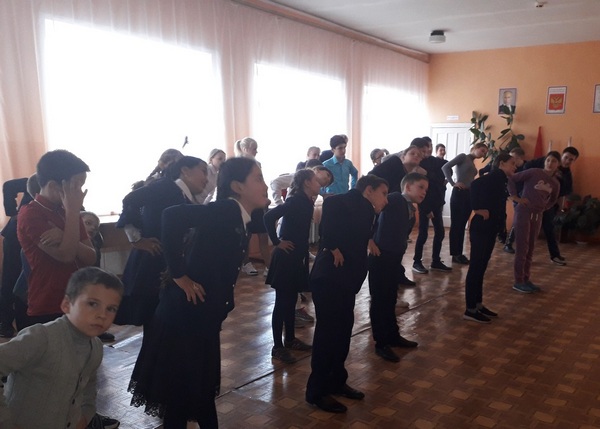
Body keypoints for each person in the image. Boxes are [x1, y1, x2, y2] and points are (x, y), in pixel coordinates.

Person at [128, 157, 269, 429]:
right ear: (238, 186)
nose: (265, 185)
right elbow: (170, 216)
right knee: (183, 396)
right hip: (184, 318)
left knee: (199, 392)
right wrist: (179, 274)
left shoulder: (239, 216)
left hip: (199, 317)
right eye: (259, 179)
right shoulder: (227, 209)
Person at [0, 266, 123, 429]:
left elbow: (88, 389)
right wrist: (5, 422)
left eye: (111, 309)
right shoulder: (42, 338)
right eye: (93, 304)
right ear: (66, 304)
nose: (102, 315)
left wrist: (85, 416)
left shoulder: (96, 348)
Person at [306, 174, 389, 414]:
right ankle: (316, 392)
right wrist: (332, 246)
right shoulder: (341, 202)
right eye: (383, 193)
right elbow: (329, 226)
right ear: (369, 190)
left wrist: (369, 240)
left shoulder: (366, 209)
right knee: (327, 336)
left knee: (342, 333)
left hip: (345, 281)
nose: (386, 199)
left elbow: (356, 233)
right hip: (329, 279)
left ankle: (336, 381)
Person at [115, 156, 208, 328]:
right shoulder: (166, 186)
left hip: (164, 264)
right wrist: (136, 239)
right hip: (152, 261)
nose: (207, 179)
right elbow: (130, 200)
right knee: (154, 318)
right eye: (203, 171)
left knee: (162, 320)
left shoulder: (184, 197)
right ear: (185, 171)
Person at [17, 150, 97, 328]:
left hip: (78, 299)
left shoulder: (68, 210)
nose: (80, 193)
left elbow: (91, 256)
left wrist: (63, 234)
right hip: (49, 303)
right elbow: (66, 255)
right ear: (54, 185)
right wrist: (72, 213)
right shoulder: (31, 213)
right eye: (76, 186)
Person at [264, 169, 321, 364]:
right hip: (286, 258)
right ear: (306, 183)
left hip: (295, 258)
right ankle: (277, 347)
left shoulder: (306, 201)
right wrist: (277, 241)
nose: (319, 183)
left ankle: (289, 339)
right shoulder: (295, 200)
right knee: (282, 303)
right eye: (315, 180)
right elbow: (268, 217)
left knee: (290, 302)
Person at [368, 173, 426, 362]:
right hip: (381, 256)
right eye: (420, 187)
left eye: (426, 189)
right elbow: (371, 212)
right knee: (380, 301)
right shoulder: (394, 199)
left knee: (390, 297)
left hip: (393, 258)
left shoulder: (408, 206)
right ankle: (381, 344)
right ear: (407, 187)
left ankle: (393, 336)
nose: (424, 192)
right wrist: (369, 239)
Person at [463, 153, 517, 323]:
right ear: (501, 163)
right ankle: (470, 309)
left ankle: (478, 304)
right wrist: (476, 208)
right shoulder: (493, 177)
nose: (515, 166)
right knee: (476, 267)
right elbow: (474, 184)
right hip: (481, 227)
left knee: (481, 267)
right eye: (512, 163)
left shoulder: (502, 180)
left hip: (490, 227)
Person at [509, 151, 561, 294]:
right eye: (548, 160)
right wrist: (515, 197)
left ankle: (526, 278)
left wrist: (544, 207)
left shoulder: (555, 183)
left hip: (537, 215)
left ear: (558, 164)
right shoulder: (534, 172)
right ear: (544, 161)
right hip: (523, 212)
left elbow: (553, 200)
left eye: (554, 161)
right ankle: (518, 281)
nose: (550, 163)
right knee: (522, 247)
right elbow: (512, 178)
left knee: (530, 248)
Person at [522, 146, 579, 265]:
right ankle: (519, 252)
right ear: (562, 156)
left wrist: (558, 204)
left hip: (547, 204)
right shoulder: (547, 160)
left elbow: (564, 192)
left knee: (549, 228)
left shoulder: (566, 174)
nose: (567, 161)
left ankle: (555, 255)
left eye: (571, 160)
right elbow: (526, 167)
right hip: (531, 200)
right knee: (525, 227)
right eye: (566, 157)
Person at [441, 143, 488, 265]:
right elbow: (445, 167)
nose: (483, 154)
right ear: (475, 148)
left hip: (468, 194)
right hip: (459, 193)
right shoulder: (463, 157)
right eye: (482, 150)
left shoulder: (472, 162)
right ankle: (455, 254)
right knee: (457, 225)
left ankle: (458, 253)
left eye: (485, 153)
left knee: (462, 224)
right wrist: (453, 183)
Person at [0, 178, 34, 338]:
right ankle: (5, 322)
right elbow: (8, 186)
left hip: (36, 235)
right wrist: (12, 213)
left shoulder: (67, 185)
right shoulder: (38, 178)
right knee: (11, 277)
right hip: (16, 236)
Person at [412, 138, 452, 274]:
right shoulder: (418, 163)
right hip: (425, 204)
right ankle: (417, 261)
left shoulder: (434, 161)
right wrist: (426, 209)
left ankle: (436, 261)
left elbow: (444, 172)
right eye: (426, 147)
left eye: (430, 146)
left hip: (437, 203)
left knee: (440, 232)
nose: (428, 149)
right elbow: (421, 187)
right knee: (423, 234)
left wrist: (432, 175)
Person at [235, 137, 271, 277]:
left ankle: (269, 266)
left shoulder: (257, 164)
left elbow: (261, 182)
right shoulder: (237, 165)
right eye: (254, 148)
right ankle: (246, 263)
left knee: (263, 234)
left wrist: (264, 198)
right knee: (246, 236)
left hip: (257, 206)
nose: (256, 151)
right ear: (245, 149)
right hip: (244, 205)